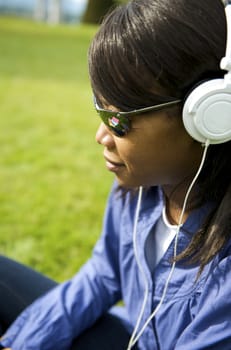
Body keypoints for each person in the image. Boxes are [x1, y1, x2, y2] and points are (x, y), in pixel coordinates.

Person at [1, 0, 231, 349]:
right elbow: (102, 274)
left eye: (117, 121)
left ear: (209, 117)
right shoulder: (138, 186)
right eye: (100, 110)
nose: (101, 137)